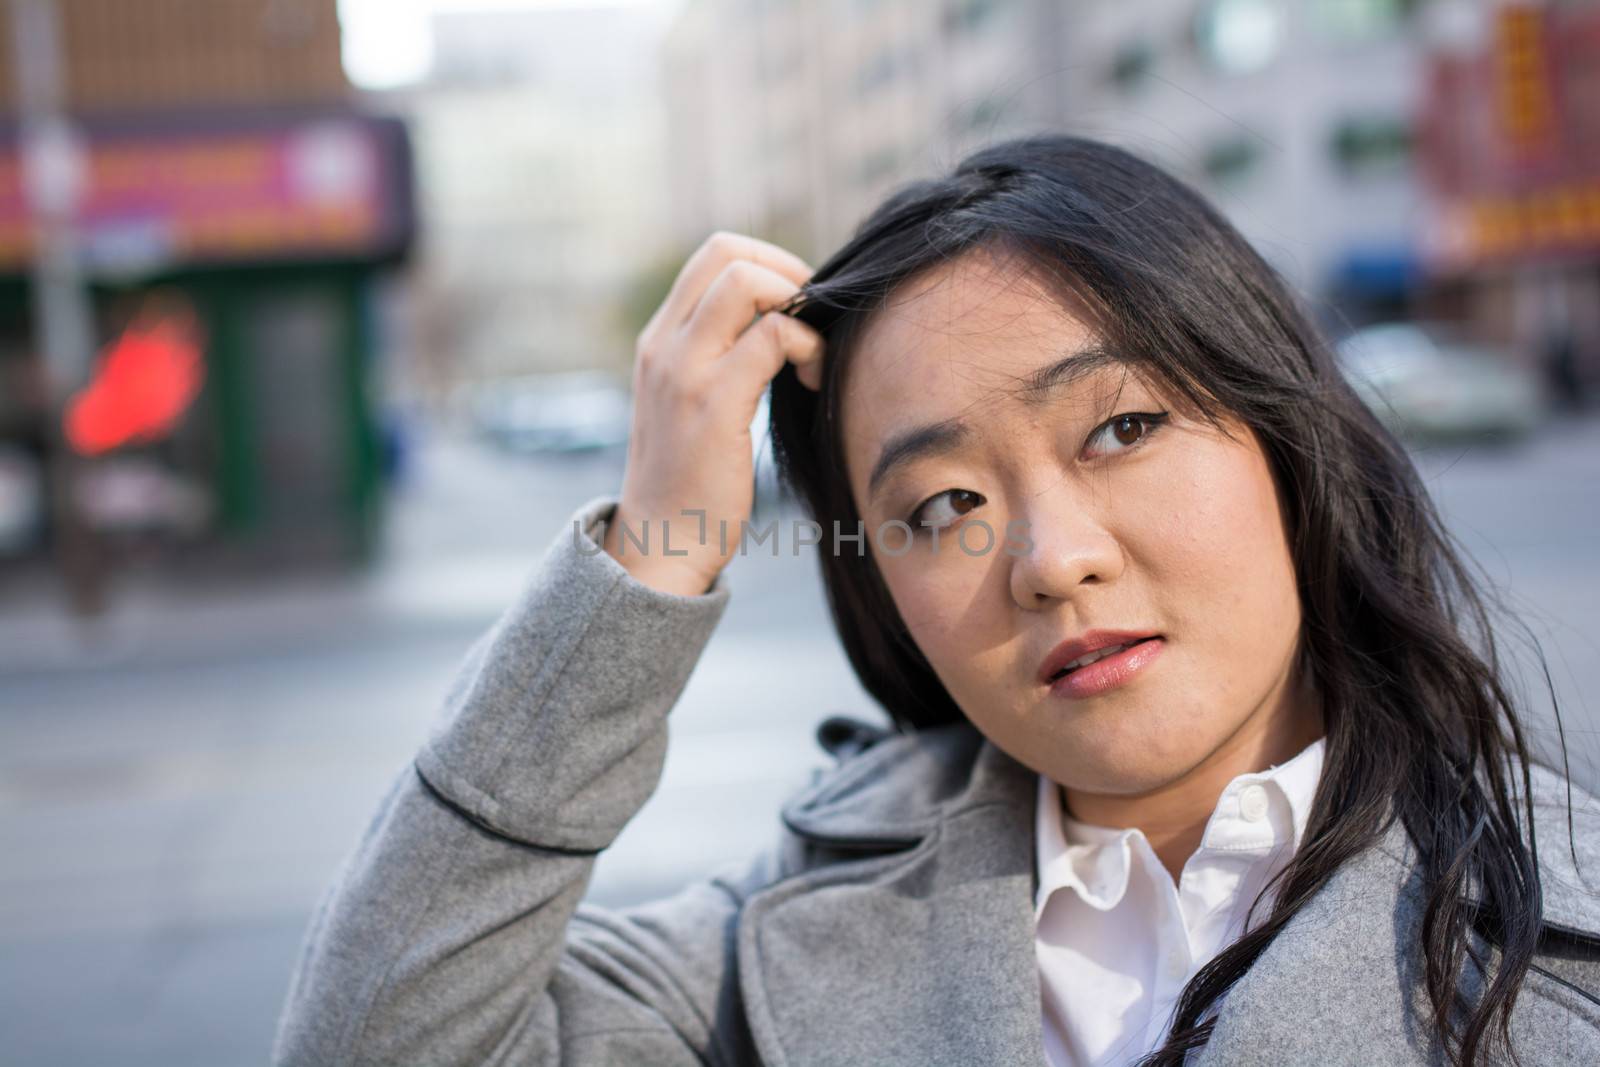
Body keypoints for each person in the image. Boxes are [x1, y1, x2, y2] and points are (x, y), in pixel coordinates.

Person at [270, 135, 1600, 1066]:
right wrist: (652, 549)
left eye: (1122, 427)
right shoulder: (774, 954)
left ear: (1288, 445)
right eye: (943, 506)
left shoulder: (1560, 929)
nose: (1051, 559)